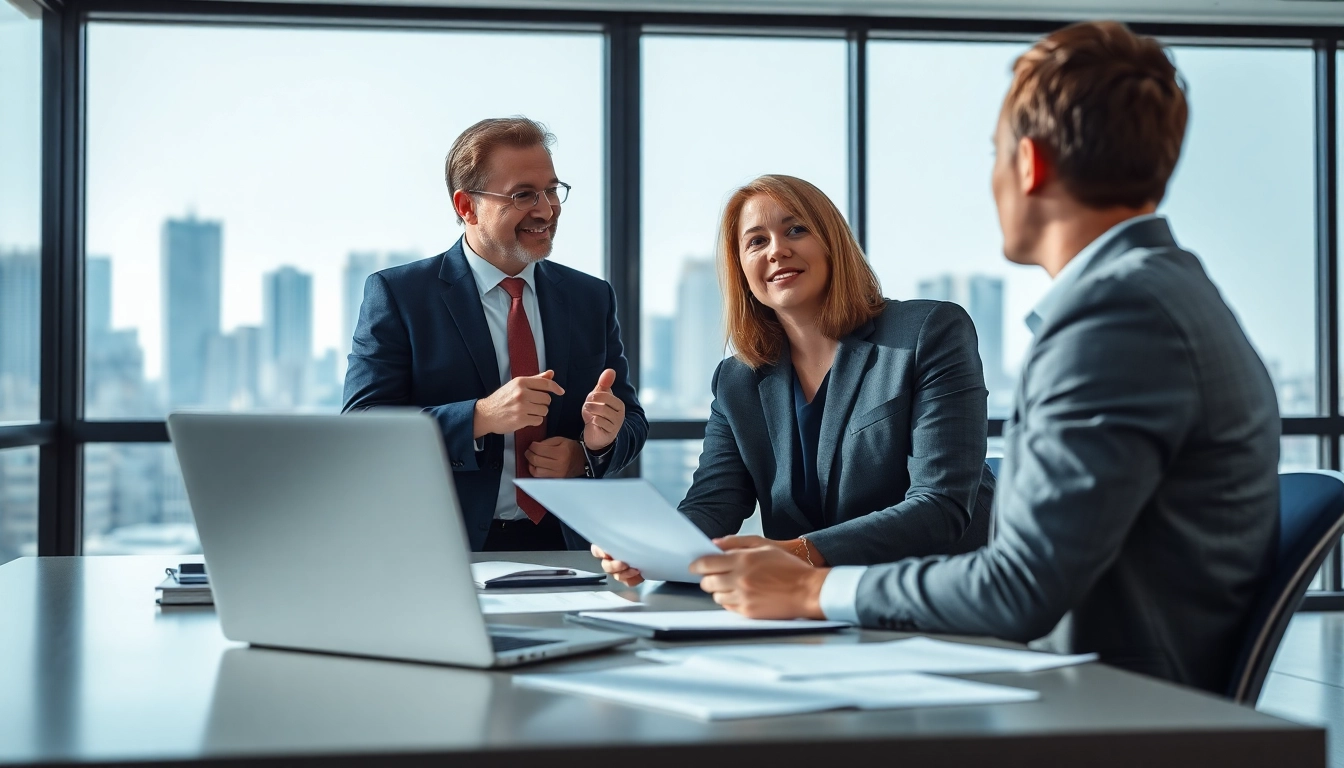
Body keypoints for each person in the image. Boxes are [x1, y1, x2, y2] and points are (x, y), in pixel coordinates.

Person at [691, 21, 1280, 696]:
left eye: (993, 153)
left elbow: (1016, 584)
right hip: (1085, 680)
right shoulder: (1157, 288)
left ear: (1028, 164)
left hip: (1113, 704)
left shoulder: (1115, 316)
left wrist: (811, 589)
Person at [597, 174, 994, 587]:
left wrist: (797, 554)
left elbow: (940, 504)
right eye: (756, 241)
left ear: (831, 242)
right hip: (806, 609)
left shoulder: (927, 332)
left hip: (937, 596)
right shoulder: (737, 381)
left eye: (796, 230)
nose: (777, 251)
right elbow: (714, 503)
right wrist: (652, 548)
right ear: (742, 271)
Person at [344, 117, 647, 552]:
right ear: (467, 207)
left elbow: (632, 421)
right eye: (523, 195)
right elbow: (362, 427)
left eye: (551, 190)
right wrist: (481, 416)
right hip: (442, 550)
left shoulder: (590, 297)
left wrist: (588, 453)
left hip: (568, 550)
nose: (546, 210)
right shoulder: (400, 295)